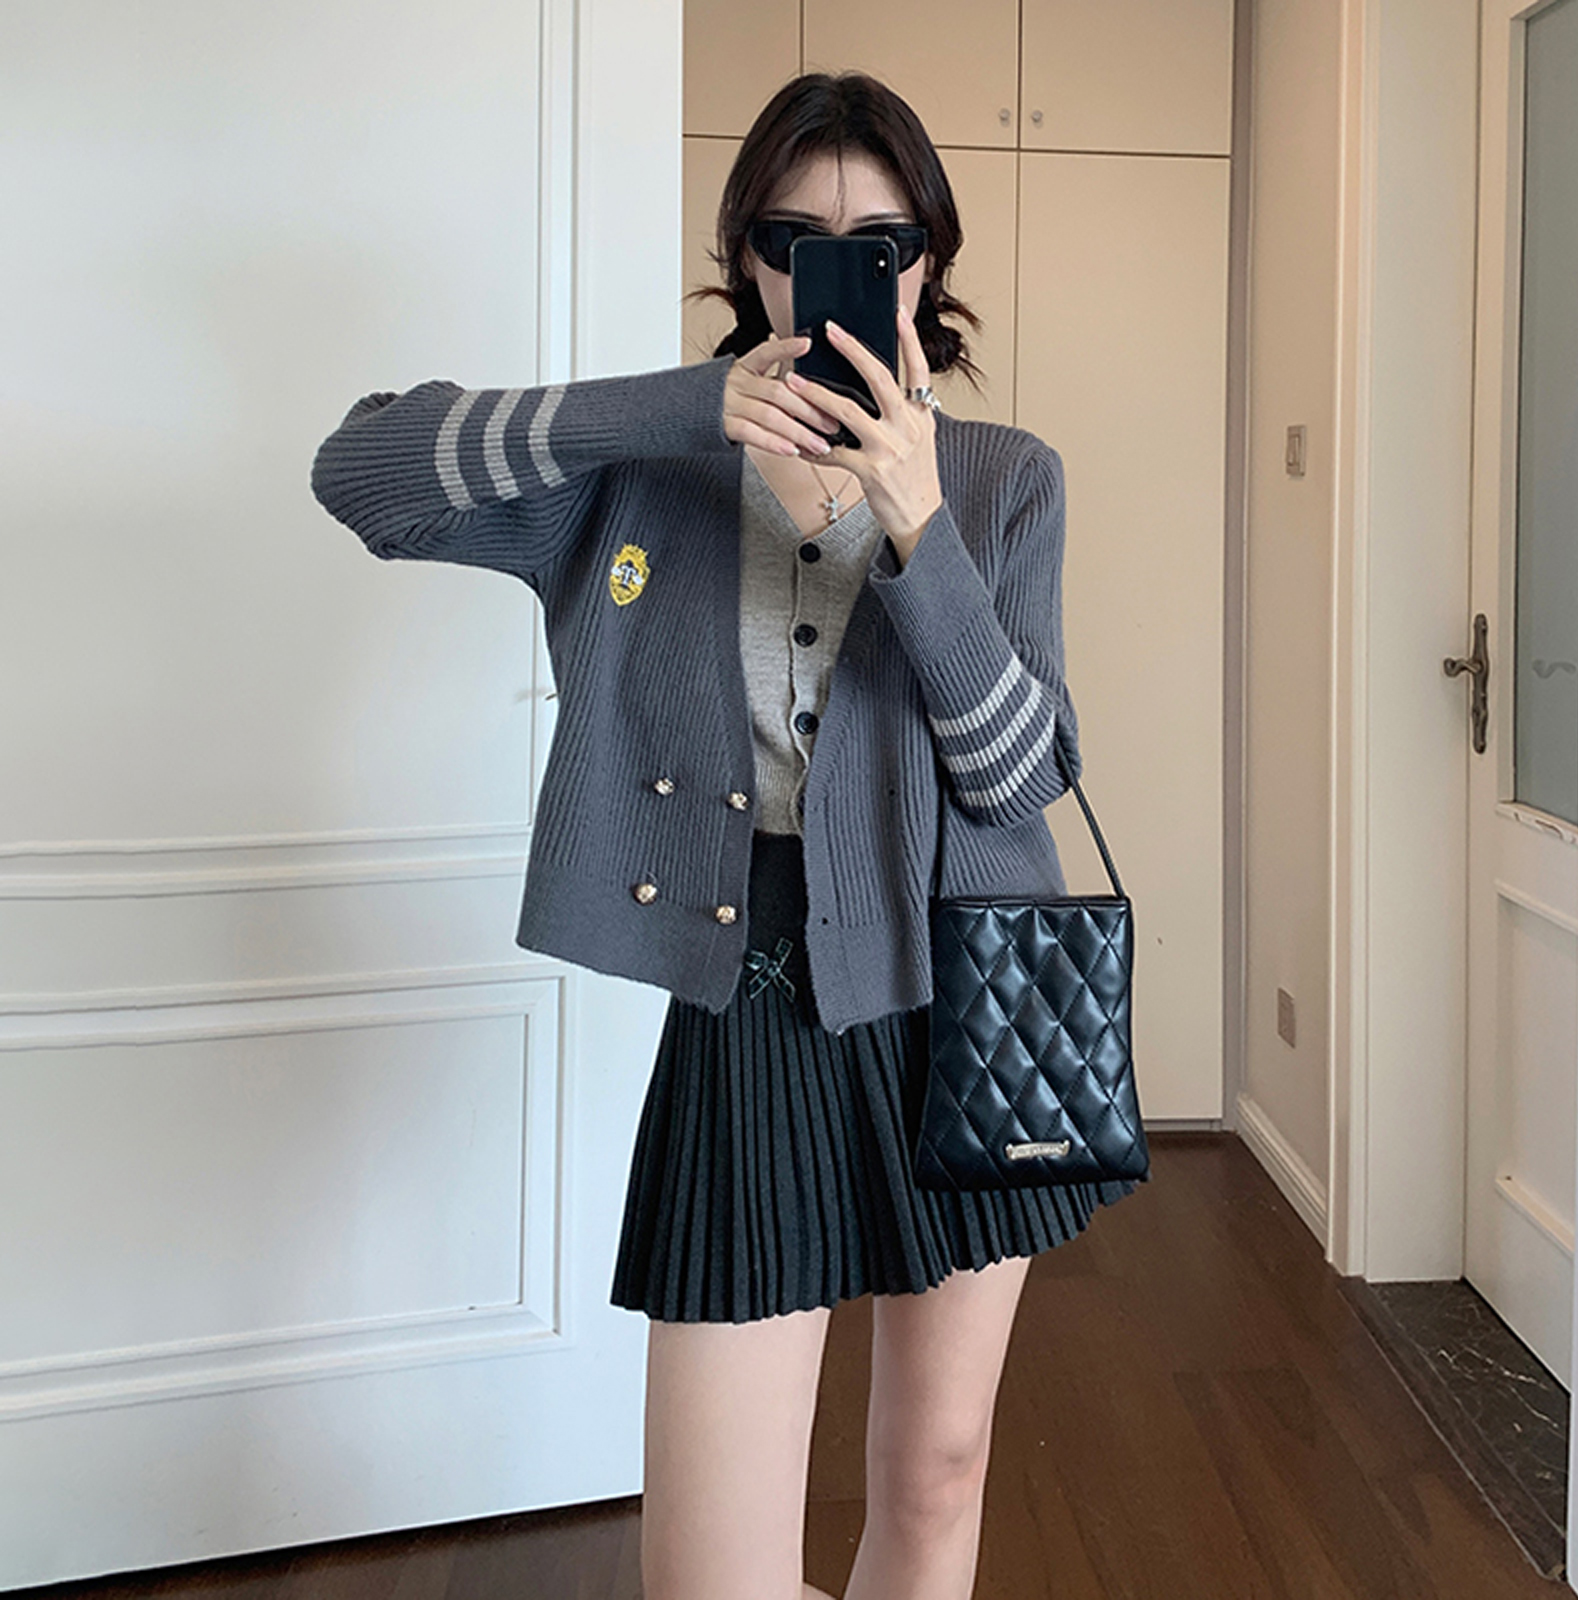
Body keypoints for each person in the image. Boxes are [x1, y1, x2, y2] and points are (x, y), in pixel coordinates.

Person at [311, 67, 1141, 1600]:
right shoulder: (648, 475)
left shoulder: (1004, 479)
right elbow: (361, 476)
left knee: (938, 1474)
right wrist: (687, 406)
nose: (840, 271)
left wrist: (916, 524)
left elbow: (1018, 775)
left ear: (930, 264)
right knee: (708, 1572)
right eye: (794, 238)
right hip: (754, 994)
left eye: (881, 243)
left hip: (975, 995)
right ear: (745, 259)